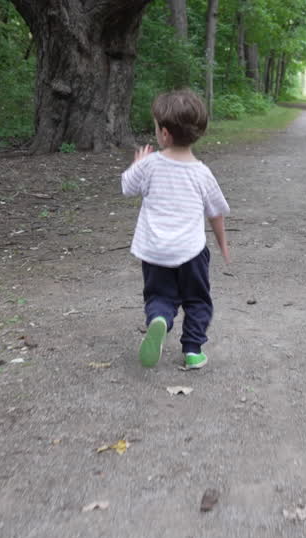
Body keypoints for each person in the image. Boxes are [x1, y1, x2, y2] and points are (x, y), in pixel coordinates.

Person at [121, 89, 230, 370]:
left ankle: (159, 318)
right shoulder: (202, 173)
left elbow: (127, 187)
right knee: (197, 300)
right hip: (191, 252)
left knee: (159, 296)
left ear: (165, 134)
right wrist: (223, 244)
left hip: (155, 251)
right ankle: (193, 350)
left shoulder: (149, 166)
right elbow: (215, 213)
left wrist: (137, 164)